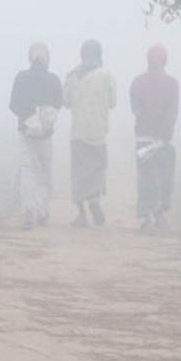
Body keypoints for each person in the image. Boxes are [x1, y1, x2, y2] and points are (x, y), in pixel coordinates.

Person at [9, 42, 63, 230]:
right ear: (47, 59)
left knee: (27, 171)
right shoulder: (54, 80)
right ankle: (42, 209)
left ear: (30, 58)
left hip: (26, 133)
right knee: (44, 172)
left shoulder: (21, 78)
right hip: (45, 135)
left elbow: (13, 105)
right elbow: (58, 103)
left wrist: (28, 115)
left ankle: (28, 211)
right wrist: (44, 117)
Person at [64, 39, 116, 227]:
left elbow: (66, 102)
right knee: (97, 170)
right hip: (98, 132)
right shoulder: (106, 76)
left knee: (79, 174)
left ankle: (81, 215)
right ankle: (95, 198)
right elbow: (113, 102)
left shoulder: (72, 76)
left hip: (78, 133)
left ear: (82, 54)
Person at [130, 43, 179, 232]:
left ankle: (146, 218)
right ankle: (159, 215)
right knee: (164, 178)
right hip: (163, 139)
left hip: (144, 137)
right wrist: (166, 129)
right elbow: (173, 111)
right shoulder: (172, 84)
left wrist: (147, 119)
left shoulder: (137, 82)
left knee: (146, 179)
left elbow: (136, 110)